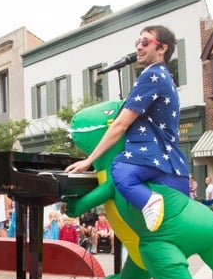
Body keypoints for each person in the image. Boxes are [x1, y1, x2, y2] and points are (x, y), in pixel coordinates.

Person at [65, 26, 188, 233]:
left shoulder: (152, 76)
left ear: (162, 48)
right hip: (172, 164)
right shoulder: (165, 76)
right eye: (137, 42)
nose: (139, 46)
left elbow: (120, 125)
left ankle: (149, 200)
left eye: (146, 42)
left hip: (153, 156)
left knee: (120, 170)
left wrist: (89, 160)